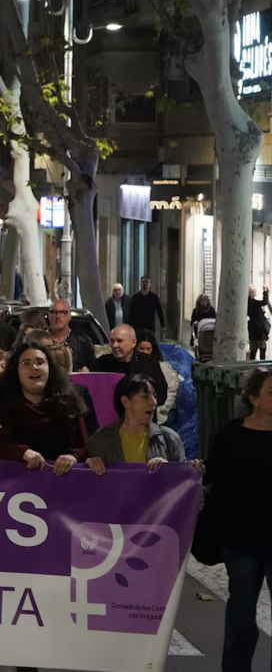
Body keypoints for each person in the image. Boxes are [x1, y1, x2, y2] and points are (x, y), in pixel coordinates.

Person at [204, 367, 272, 672]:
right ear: (254, 398)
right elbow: (212, 478)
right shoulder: (231, 434)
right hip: (241, 541)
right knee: (241, 618)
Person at [0, 341, 89, 474]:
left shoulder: (69, 403)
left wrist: (73, 456)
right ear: (16, 371)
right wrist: (21, 452)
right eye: (26, 363)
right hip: (12, 487)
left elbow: (84, 447)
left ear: (49, 368)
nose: (34, 367)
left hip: (60, 484)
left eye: (40, 362)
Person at [85, 374, 200, 473]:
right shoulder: (100, 439)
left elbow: (182, 486)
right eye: (145, 397)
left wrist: (171, 469)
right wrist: (88, 466)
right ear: (125, 402)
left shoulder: (169, 439)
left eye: (154, 396)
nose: (153, 402)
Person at [91, 324, 168, 406]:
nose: (114, 345)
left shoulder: (149, 363)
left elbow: (161, 395)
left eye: (119, 341)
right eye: (112, 341)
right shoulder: (102, 363)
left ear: (133, 342)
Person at [136, 330, 181, 424]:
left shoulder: (162, 366)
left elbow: (171, 390)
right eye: (141, 348)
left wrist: (159, 409)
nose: (145, 352)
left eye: (148, 349)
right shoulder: (133, 365)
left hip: (158, 419)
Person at [48, 299, 96, 371]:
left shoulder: (83, 341)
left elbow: (94, 369)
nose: (58, 316)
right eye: (54, 312)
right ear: (48, 315)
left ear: (69, 316)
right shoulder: (39, 340)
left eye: (63, 312)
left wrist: (87, 372)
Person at [247, 285, 272, 360]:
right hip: (259, 330)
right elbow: (264, 302)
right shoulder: (252, 302)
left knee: (253, 350)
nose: (256, 292)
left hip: (253, 330)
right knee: (262, 349)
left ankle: (252, 365)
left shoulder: (249, 303)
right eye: (254, 290)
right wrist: (265, 292)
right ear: (252, 292)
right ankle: (262, 367)